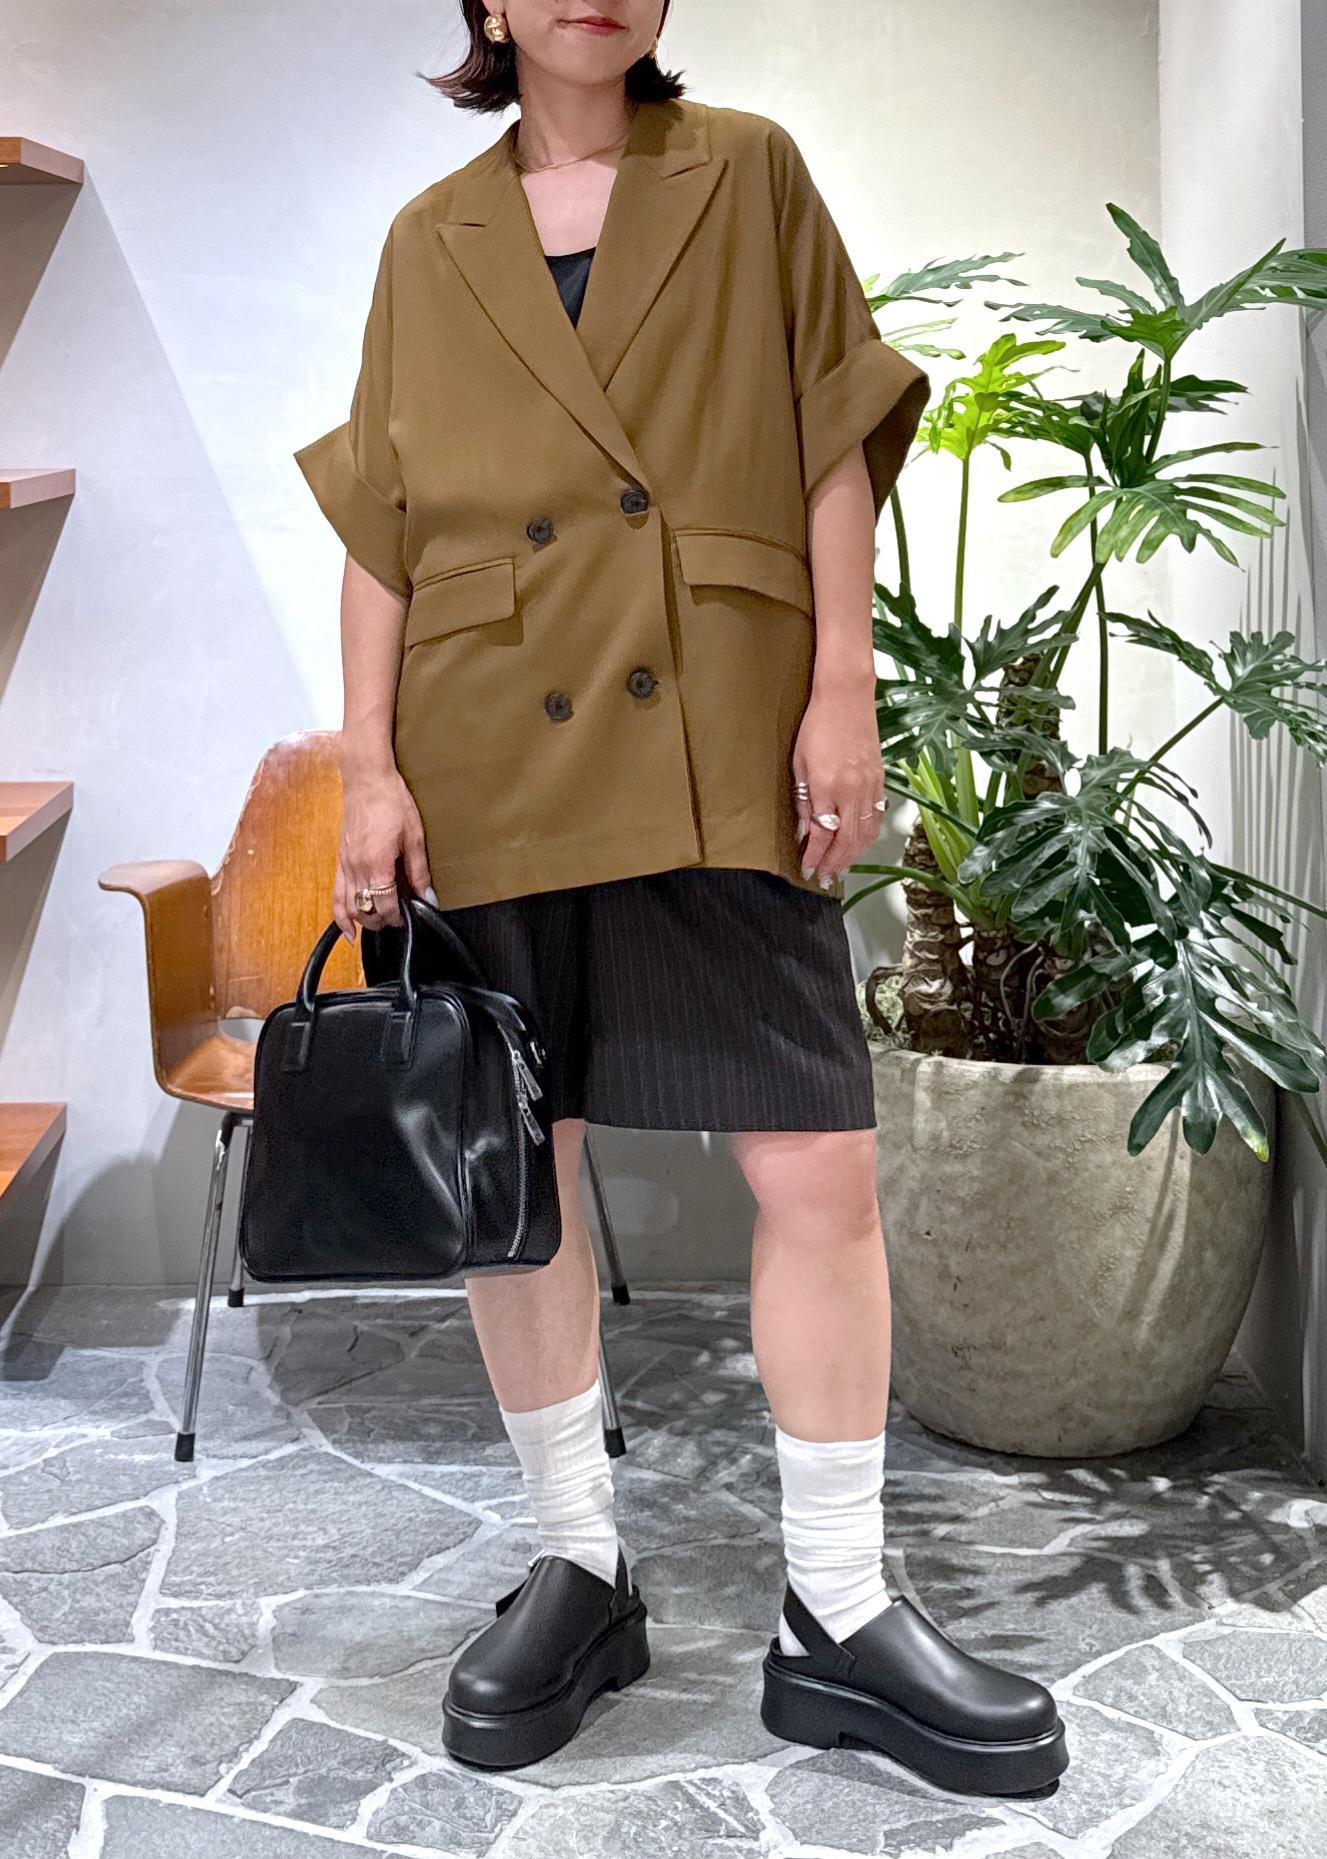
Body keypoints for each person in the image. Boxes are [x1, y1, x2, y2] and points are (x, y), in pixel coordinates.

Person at [293, 0, 1068, 1795]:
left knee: (817, 1162)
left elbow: (826, 440)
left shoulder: (748, 173)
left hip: (717, 723)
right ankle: (578, 1563)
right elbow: (382, 532)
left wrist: (843, 683)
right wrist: (366, 767)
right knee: (521, 1170)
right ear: (486, 7)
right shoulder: (430, 238)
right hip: (490, 742)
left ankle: (841, 1606)